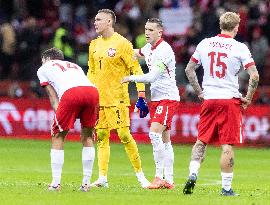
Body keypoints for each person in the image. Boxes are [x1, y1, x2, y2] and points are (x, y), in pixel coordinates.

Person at [182, 12, 259, 196]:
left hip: (209, 98)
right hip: (229, 100)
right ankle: (226, 188)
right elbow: (254, 75)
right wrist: (248, 97)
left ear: (220, 25)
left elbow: (189, 69)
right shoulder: (240, 47)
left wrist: (199, 92)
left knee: (201, 141)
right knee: (227, 146)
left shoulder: (204, 43)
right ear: (236, 27)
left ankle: (193, 174)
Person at [87, 9, 150, 188]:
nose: (95, 22)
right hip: (99, 99)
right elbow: (91, 71)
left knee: (123, 134)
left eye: (98, 19)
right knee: (101, 135)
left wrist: (141, 95)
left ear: (109, 22)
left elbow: (136, 70)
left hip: (117, 98)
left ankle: (141, 177)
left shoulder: (123, 44)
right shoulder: (93, 45)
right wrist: (88, 92)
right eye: (95, 19)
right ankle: (102, 178)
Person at [122, 18, 180, 189]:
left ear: (160, 32)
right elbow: (134, 52)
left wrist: (129, 78)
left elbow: (152, 77)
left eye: (151, 30)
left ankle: (158, 177)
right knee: (165, 140)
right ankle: (169, 180)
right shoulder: (148, 48)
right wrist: (115, 51)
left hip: (168, 98)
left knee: (154, 134)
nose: (147, 32)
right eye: (146, 29)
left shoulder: (165, 50)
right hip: (156, 98)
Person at [37, 47, 99, 192]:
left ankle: (55, 183)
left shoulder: (43, 68)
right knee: (88, 136)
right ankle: (86, 184)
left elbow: (53, 97)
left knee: (58, 136)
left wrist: (60, 117)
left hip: (71, 93)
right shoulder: (75, 65)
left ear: (47, 59)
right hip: (92, 92)